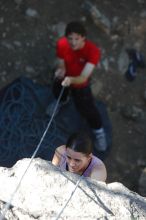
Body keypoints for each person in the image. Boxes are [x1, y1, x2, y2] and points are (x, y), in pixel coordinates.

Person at [47, 21, 107, 151]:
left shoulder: (93, 51)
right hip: (65, 78)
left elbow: (84, 77)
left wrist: (70, 80)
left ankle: (99, 131)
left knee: (88, 109)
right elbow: (61, 61)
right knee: (58, 91)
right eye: (70, 38)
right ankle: (61, 101)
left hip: (80, 84)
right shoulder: (62, 44)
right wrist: (60, 70)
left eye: (77, 39)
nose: (73, 42)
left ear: (83, 38)